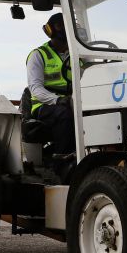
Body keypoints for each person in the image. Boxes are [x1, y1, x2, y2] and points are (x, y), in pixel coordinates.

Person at [26, 13, 76, 157]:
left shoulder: (77, 56)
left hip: (73, 102)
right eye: (61, 26)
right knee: (64, 114)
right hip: (44, 106)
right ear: (49, 30)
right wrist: (58, 100)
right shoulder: (38, 55)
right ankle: (64, 160)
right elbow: (35, 89)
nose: (65, 30)